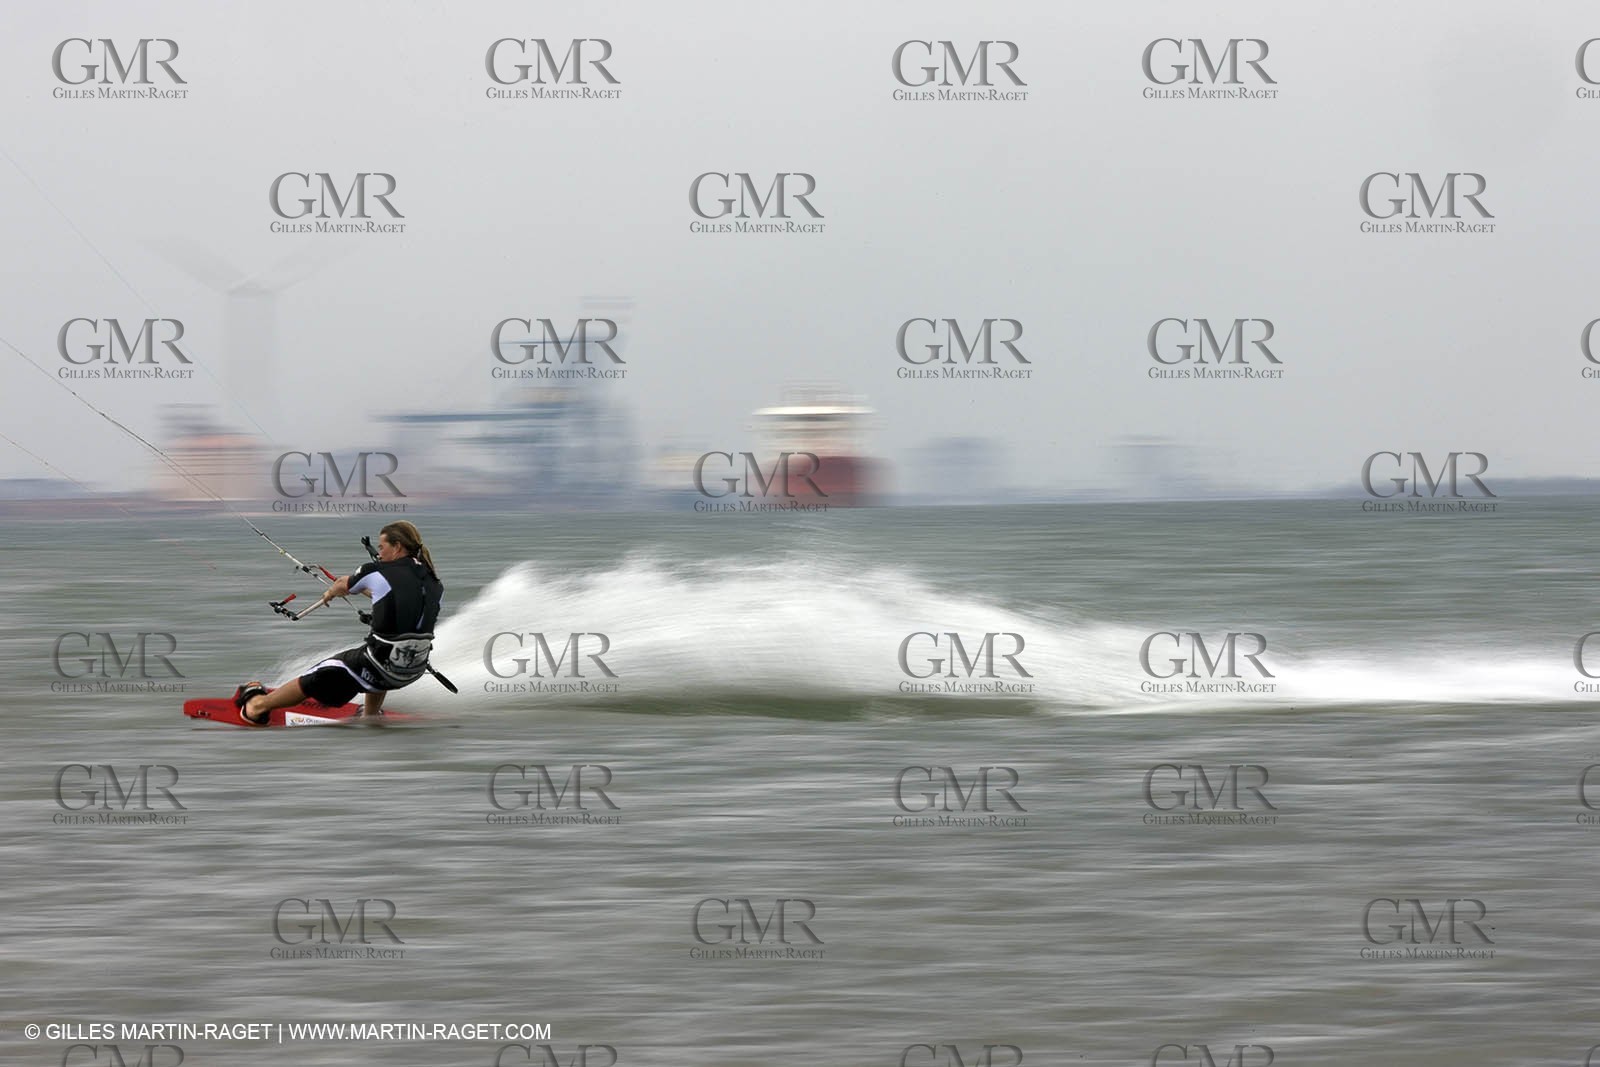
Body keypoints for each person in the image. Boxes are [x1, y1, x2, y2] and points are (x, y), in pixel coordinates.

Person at [235, 521, 444, 725]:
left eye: (382, 547)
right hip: (412, 670)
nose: (379, 553)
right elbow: (397, 598)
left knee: (323, 672)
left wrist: (331, 592)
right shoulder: (433, 581)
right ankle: (370, 715)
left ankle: (257, 706)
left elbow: (343, 584)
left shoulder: (376, 571)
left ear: (397, 546)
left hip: (380, 664)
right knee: (376, 653)